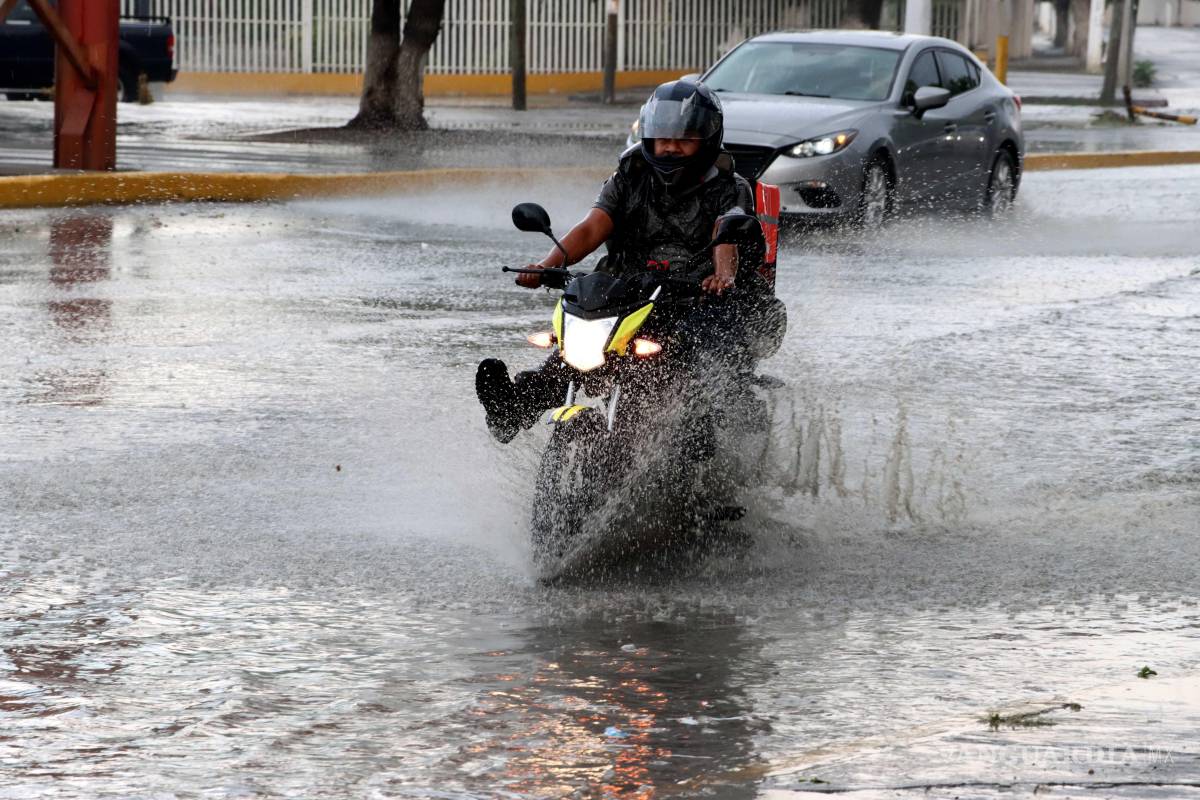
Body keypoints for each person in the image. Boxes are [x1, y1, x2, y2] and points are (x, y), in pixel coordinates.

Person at [476, 79, 762, 443]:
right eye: (663, 138)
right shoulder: (631, 175)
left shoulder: (728, 186)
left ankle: (705, 473)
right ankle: (514, 408)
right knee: (576, 345)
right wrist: (546, 264)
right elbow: (594, 225)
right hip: (631, 289)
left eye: (684, 139)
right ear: (649, 138)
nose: (671, 148)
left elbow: (727, 232)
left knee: (700, 372)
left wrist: (722, 276)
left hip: (695, 295)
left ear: (706, 140)